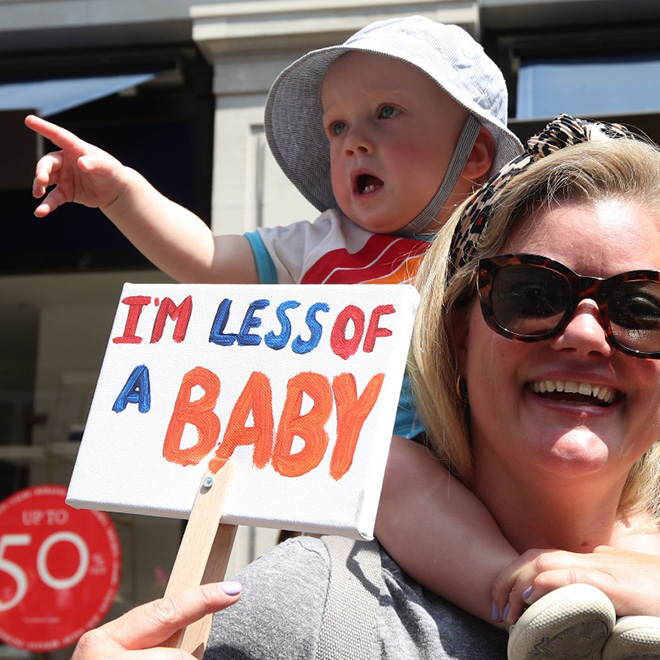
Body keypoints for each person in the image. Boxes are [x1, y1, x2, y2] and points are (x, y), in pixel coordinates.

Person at [68, 115, 660, 660]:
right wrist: (123, 195)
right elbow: (206, 256)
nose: (586, 334)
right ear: (456, 335)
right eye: (532, 293)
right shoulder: (307, 614)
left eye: (643, 306)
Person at [26, 14, 530, 634]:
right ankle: (513, 596)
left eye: (387, 113)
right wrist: (122, 195)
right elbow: (209, 258)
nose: (353, 141)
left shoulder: (494, 250)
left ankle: (521, 593)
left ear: (474, 153)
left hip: (472, 471)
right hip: (341, 483)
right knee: (375, 476)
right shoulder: (319, 245)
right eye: (337, 125)